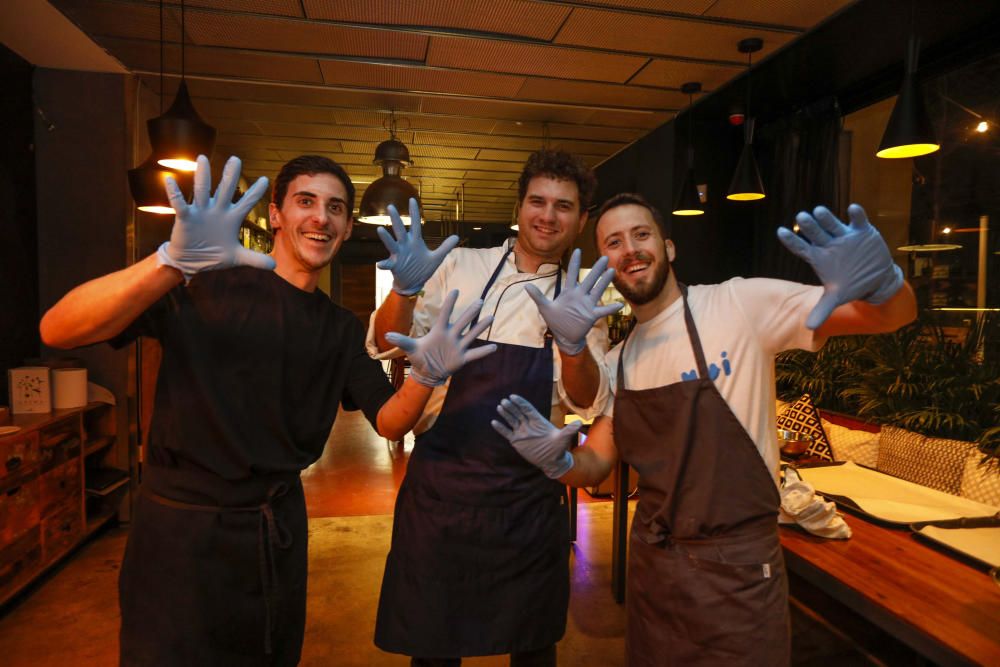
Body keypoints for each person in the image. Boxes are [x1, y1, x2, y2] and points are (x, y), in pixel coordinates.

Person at [39, 154, 495, 667]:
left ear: (346, 228)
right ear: (276, 214)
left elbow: (389, 420)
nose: (321, 217)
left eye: (336, 208)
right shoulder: (203, 284)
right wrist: (168, 261)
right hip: (180, 534)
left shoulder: (340, 329)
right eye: (306, 201)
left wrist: (426, 377)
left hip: (275, 529)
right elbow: (59, 329)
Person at [492, 194, 917, 666]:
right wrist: (559, 463)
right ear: (606, 265)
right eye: (613, 242)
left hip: (736, 573)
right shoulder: (621, 360)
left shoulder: (738, 304)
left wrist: (885, 283)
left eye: (641, 234)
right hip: (654, 572)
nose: (629, 249)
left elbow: (892, 315)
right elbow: (596, 463)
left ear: (669, 248)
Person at [368, 149, 620, 666]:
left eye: (564, 206)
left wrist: (573, 346)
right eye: (538, 201)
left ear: (582, 219)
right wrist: (406, 288)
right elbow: (384, 339)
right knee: (434, 646)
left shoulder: (583, 296)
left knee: (532, 646)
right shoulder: (462, 265)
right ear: (519, 206)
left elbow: (587, 398)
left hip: (527, 500)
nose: (548, 215)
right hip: (441, 496)